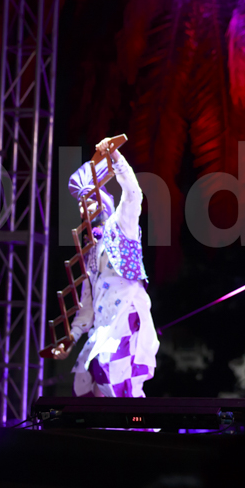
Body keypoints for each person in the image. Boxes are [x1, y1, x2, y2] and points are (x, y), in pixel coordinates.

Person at [54, 137, 159, 398]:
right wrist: (70, 340)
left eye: (88, 202)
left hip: (126, 316)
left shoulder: (122, 225)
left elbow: (134, 194)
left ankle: (137, 422)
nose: (84, 211)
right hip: (103, 328)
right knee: (86, 382)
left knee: (112, 379)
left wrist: (114, 156)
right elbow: (86, 308)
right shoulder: (89, 253)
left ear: (103, 202)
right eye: (81, 207)